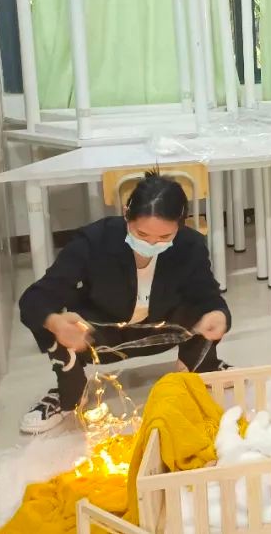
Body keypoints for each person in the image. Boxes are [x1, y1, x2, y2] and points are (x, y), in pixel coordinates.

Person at [18, 173, 231, 434]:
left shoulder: (190, 244)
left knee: (204, 312)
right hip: (99, 334)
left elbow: (208, 294)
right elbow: (34, 299)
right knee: (56, 323)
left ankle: (201, 366)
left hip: (161, 328)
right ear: (126, 213)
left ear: (180, 225)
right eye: (142, 234)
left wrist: (219, 315)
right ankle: (68, 394)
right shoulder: (95, 241)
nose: (151, 243)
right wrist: (56, 323)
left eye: (164, 236)